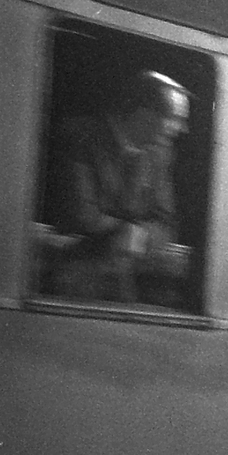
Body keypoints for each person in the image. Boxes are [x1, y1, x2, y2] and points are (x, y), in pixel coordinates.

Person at [43, 70, 193, 303]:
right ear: (145, 115)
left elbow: (166, 223)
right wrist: (127, 232)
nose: (182, 130)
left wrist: (139, 237)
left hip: (124, 286)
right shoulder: (79, 137)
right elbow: (80, 215)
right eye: (175, 119)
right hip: (68, 280)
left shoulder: (160, 154)